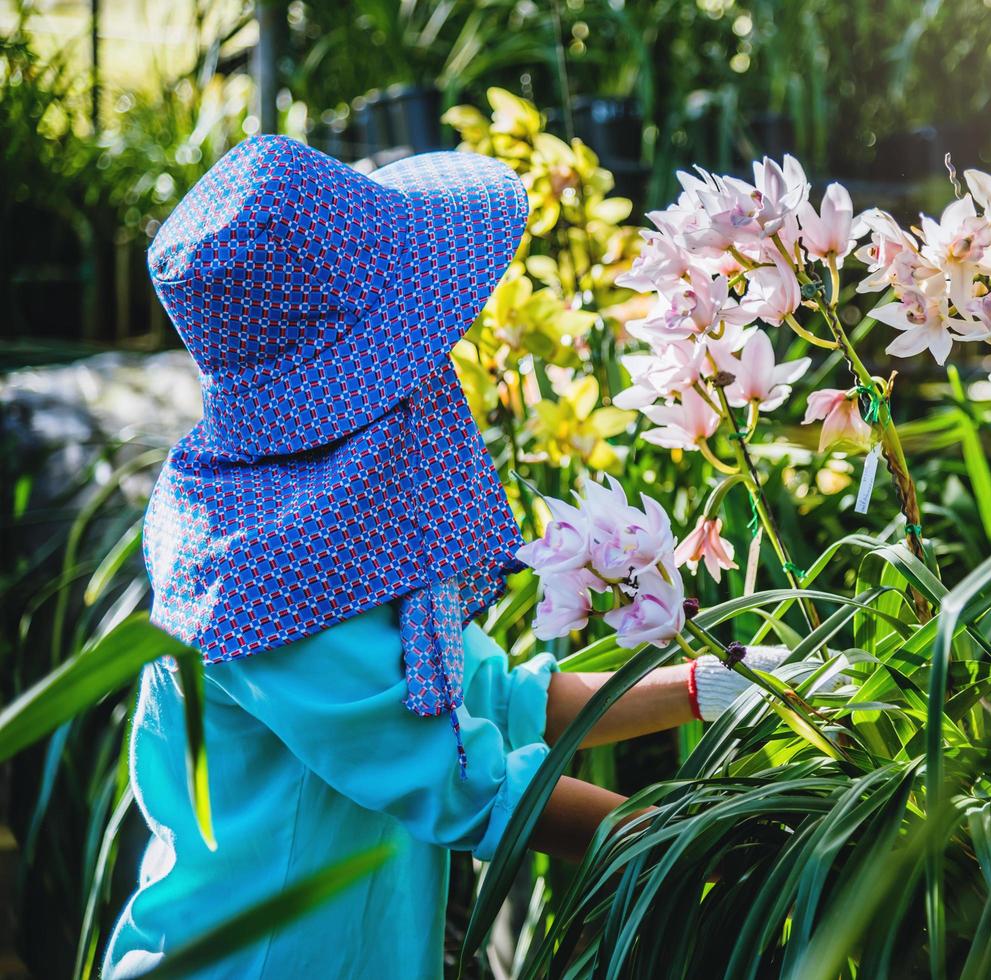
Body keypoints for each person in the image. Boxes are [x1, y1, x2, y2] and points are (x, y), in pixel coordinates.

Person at [102, 135, 789, 979]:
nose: (442, 360)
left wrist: (716, 685)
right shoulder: (257, 580)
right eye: (417, 335)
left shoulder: (333, 533)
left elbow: (491, 699)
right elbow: (467, 783)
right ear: (370, 376)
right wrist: (730, 859)